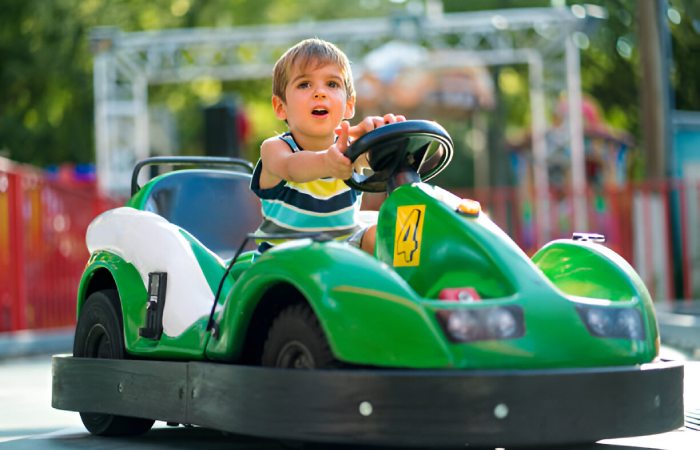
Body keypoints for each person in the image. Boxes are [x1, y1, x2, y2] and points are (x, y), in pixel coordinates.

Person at [250, 38, 405, 254]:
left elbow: (376, 159)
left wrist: (386, 140)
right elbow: (292, 168)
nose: (320, 92)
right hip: (285, 261)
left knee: (389, 234)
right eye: (304, 84)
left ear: (349, 105)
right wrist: (328, 162)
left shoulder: (355, 149)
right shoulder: (276, 149)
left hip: (344, 252)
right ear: (280, 107)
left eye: (332, 84)